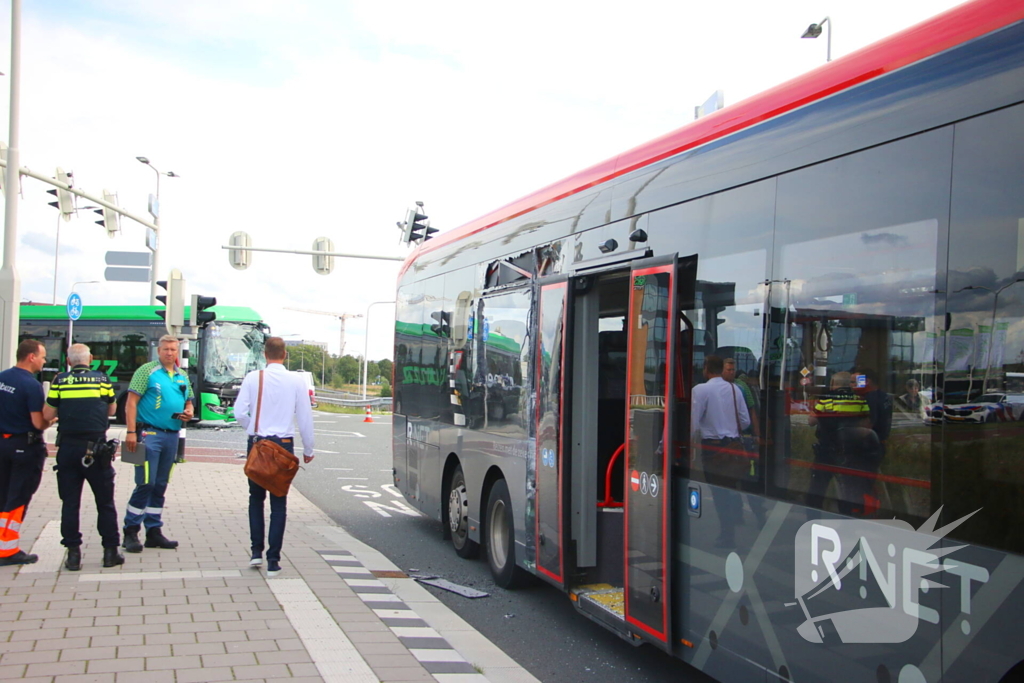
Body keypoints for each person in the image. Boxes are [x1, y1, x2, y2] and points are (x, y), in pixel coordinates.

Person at [233, 337, 315, 577]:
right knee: (279, 503)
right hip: (284, 445)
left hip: (258, 443)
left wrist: (252, 429)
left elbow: (239, 412)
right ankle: (273, 560)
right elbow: (304, 417)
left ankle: (255, 552)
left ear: (265, 354)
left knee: (255, 499)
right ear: (285, 354)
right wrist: (309, 449)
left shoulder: (253, 378)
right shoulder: (297, 381)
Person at [42, 344, 124, 570]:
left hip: (68, 448)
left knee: (70, 503)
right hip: (97, 449)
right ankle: (110, 552)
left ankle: (73, 554)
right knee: (105, 502)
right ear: (90, 359)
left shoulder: (60, 381)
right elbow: (111, 409)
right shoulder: (102, 380)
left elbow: (48, 413)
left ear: (69, 361)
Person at [122, 335, 193, 553]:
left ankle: (153, 531)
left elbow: (188, 400)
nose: (169, 353)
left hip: (171, 435)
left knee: (161, 484)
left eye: (173, 349)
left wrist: (189, 411)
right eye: (165, 349)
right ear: (158, 351)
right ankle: (130, 530)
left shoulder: (182, 376)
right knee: (146, 482)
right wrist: (131, 432)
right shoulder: (147, 371)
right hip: (149, 433)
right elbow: (131, 402)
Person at [0, 340, 54, 566]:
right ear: (31, 357)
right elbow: (37, 422)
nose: (44, 361)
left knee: (2, 495)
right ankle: (8, 550)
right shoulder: (31, 385)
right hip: (25, 446)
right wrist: (51, 420)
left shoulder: (3, 377)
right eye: (42, 356)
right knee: (18, 497)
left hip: (3, 444)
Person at [692, 355, 750, 546]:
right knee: (731, 487)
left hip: (713, 448)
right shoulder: (735, 389)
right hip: (734, 446)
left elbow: (693, 423)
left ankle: (727, 533)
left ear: (706, 368)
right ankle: (734, 522)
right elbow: (745, 421)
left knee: (719, 493)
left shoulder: (701, 390)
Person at [806, 371, 879, 514]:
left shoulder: (826, 399)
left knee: (818, 487)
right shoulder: (859, 399)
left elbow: (811, 421)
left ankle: (812, 516)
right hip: (851, 453)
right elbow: (867, 423)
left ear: (833, 384)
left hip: (826, 451)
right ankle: (847, 517)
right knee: (847, 489)